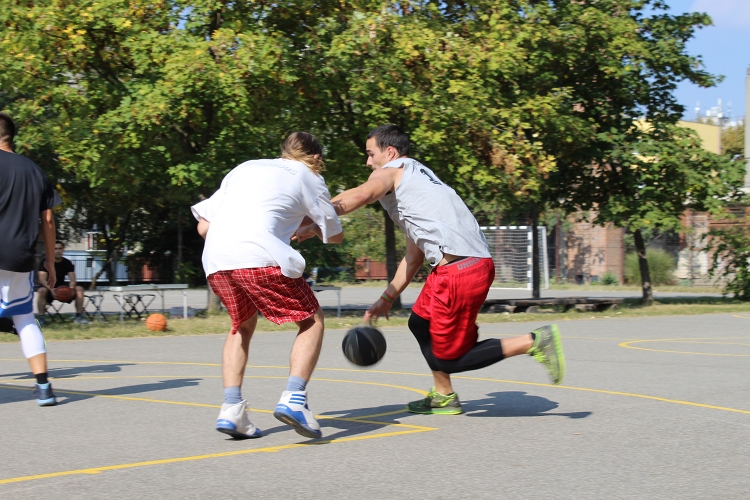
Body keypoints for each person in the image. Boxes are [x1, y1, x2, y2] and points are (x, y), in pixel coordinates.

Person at [298, 124, 565, 415]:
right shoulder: (418, 183)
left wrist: (317, 221)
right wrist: (386, 298)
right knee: (419, 323)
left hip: (462, 271)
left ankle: (534, 341)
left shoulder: (391, 170)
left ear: (390, 152)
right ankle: (443, 395)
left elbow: (361, 195)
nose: (368, 162)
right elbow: (413, 257)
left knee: (450, 357)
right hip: (460, 267)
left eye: (370, 154)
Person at [192, 132, 344, 439]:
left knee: (240, 326)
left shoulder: (246, 167)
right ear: (315, 158)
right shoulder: (308, 175)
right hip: (259, 256)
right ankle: (294, 399)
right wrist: (312, 229)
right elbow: (335, 234)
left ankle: (232, 409)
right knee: (311, 321)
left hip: (217, 259)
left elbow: (203, 226)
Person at [0, 112, 60, 406]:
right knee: (25, 318)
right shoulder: (34, 170)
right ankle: (44, 387)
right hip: (21, 256)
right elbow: (47, 220)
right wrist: (50, 261)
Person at [37, 241, 90, 325]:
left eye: (59, 248)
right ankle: (41, 319)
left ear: (63, 250)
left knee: (79, 289)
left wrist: (71, 288)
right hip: (48, 288)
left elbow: (73, 279)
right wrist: (51, 289)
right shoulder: (45, 262)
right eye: (55, 249)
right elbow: (42, 279)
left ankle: (79, 317)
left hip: (62, 288)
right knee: (41, 291)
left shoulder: (67, 263)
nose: (57, 251)